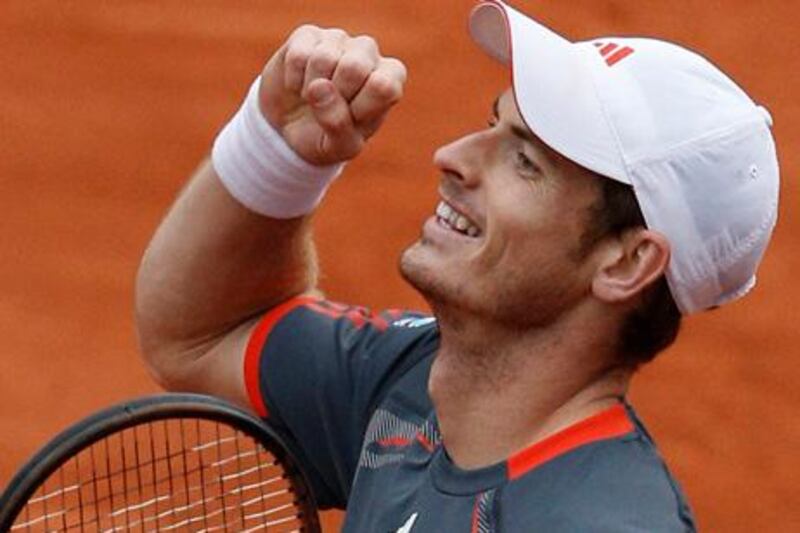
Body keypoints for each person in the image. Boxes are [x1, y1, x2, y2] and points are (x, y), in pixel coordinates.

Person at [135, 1, 779, 530]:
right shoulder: (412, 392)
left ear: (627, 261)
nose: (453, 156)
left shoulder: (599, 521)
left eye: (526, 161)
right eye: (491, 125)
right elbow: (204, 331)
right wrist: (279, 153)